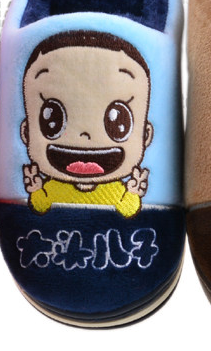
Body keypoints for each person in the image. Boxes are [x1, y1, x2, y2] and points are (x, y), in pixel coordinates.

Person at [20, 30, 153, 218]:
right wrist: (35, 189)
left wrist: (133, 192)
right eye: (53, 121)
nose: (85, 135)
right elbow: (41, 204)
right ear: (26, 132)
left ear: (145, 135)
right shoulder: (52, 187)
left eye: (117, 123)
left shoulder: (117, 189)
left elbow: (127, 209)